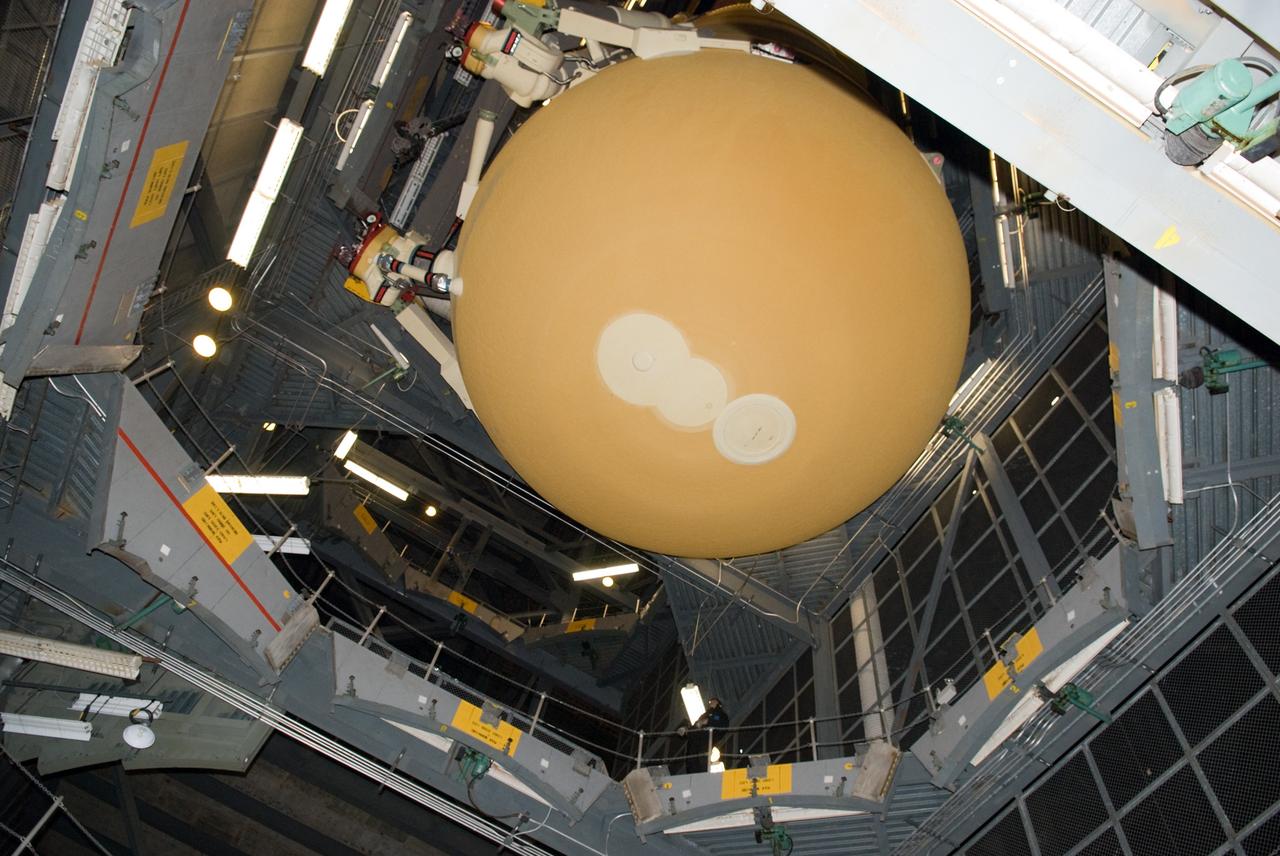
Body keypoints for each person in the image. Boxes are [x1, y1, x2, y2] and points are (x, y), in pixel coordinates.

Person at [677, 697, 730, 773]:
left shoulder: (721, 714)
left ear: (718, 703)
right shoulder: (704, 715)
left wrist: (709, 721)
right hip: (696, 741)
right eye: (710, 701)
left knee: (702, 758)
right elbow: (695, 726)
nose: (711, 702)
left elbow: (723, 725)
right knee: (692, 759)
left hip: (707, 739)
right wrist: (685, 731)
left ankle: (702, 773)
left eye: (713, 701)